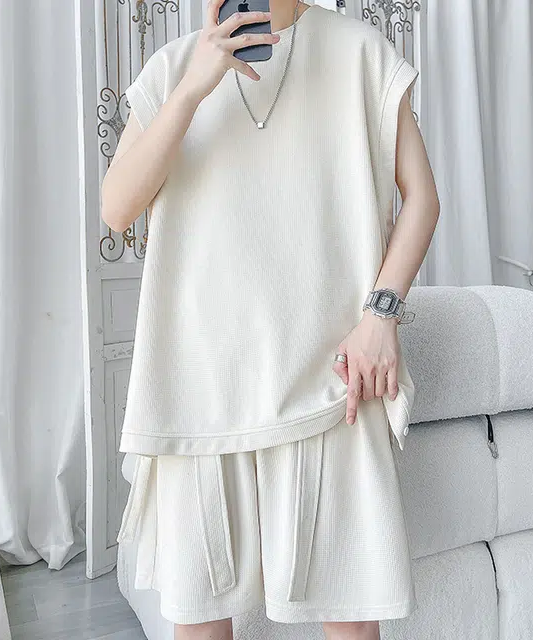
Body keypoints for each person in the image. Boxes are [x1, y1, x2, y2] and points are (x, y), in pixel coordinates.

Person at [102, 0, 439, 638]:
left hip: (331, 383)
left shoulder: (359, 53)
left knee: (350, 618)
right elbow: (117, 209)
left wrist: (381, 316)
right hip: (199, 386)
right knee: (201, 622)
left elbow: (421, 197)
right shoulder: (173, 67)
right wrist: (192, 90)